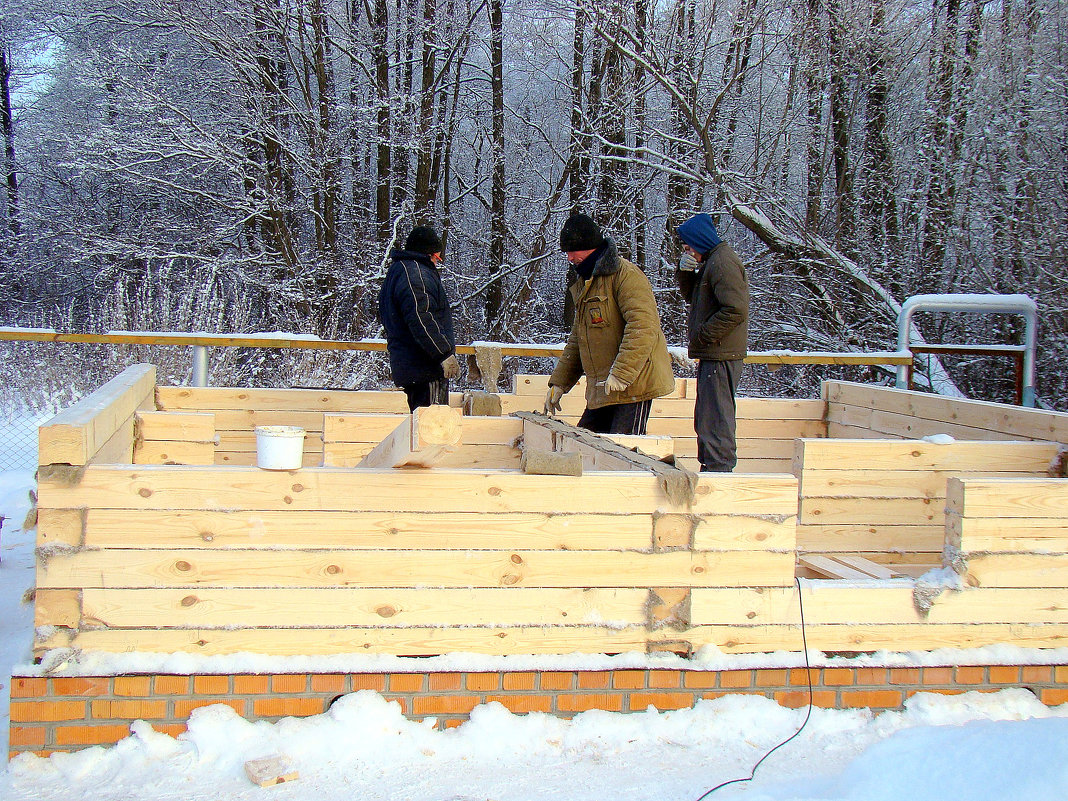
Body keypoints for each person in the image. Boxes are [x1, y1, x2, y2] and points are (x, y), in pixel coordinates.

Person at [544, 213, 674, 434]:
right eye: (566, 252)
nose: (569, 258)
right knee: (586, 444)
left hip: (634, 384)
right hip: (603, 387)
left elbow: (643, 327)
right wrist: (560, 383)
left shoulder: (626, 276)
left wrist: (622, 373)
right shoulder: (587, 282)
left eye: (572, 251)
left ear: (589, 246)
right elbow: (579, 338)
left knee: (623, 454)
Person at [675, 212, 749, 472]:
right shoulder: (711, 262)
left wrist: (704, 335)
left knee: (716, 418)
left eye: (688, 247)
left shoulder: (722, 263)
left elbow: (736, 310)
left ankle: (719, 472)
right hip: (715, 354)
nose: (687, 252)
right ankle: (713, 468)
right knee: (708, 417)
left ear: (700, 240)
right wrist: (686, 274)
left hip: (721, 355)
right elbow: (695, 299)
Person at [378, 225, 460, 412]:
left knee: (420, 427)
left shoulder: (400, 271)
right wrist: (444, 354)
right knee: (433, 428)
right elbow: (422, 318)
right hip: (425, 367)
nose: (437, 262)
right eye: (437, 257)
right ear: (427, 253)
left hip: (412, 365)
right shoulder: (416, 275)